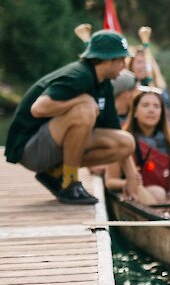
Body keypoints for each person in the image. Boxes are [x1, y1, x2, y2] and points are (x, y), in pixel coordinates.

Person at [4, 29, 140, 204]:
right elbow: (38, 108)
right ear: (107, 60)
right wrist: (81, 100)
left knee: (126, 142)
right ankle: (69, 183)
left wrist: (131, 175)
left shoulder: (104, 84)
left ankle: (54, 173)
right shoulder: (79, 75)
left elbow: (112, 130)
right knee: (84, 110)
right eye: (122, 59)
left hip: (53, 145)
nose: (124, 65)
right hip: (30, 149)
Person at [105, 87, 170, 204]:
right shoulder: (122, 140)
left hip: (168, 195)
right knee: (159, 193)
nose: (151, 110)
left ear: (162, 113)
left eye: (156, 106)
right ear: (135, 112)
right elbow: (110, 182)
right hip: (139, 193)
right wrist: (131, 182)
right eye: (145, 105)